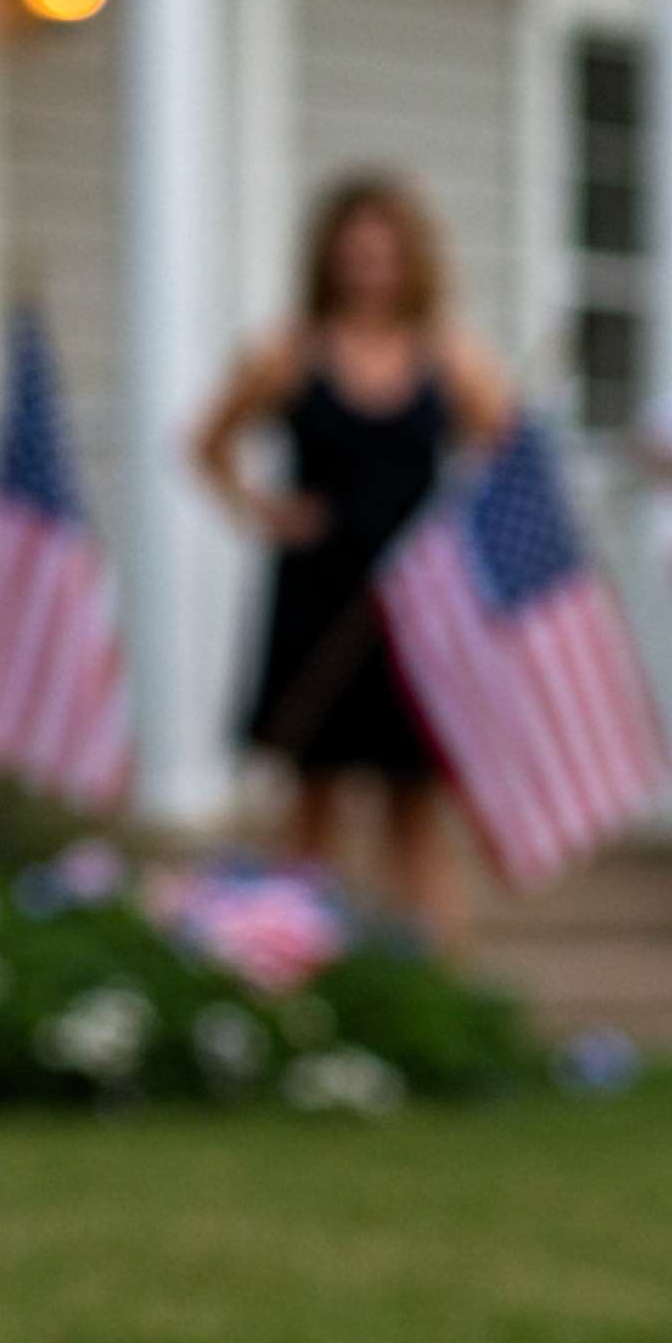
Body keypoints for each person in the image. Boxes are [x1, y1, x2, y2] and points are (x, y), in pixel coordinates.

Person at [193, 174, 514, 950]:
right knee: (313, 800)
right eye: (356, 256)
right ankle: (296, 974)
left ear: (412, 263)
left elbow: (508, 457)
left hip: (417, 609)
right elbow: (209, 445)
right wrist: (267, 511)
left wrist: (459, 539)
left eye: (386, 256)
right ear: (330, 260)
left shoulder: (450, 355)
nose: (371, 271)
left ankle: (437, 1000)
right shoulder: (288, 354)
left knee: (414, 807)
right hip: (320, 595)